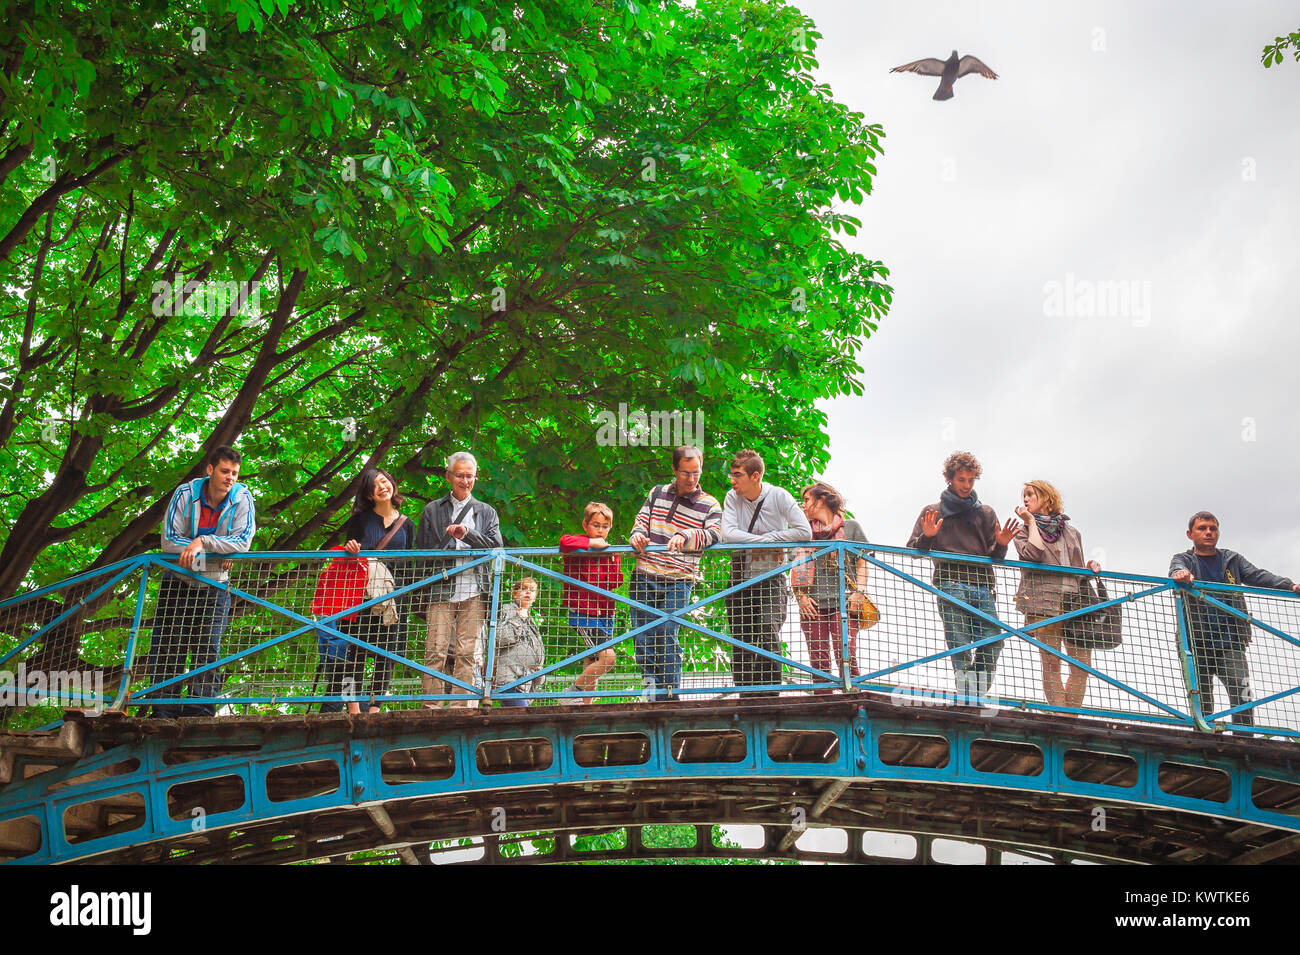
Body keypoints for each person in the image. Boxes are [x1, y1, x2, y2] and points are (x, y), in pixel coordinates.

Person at [151, 446, 256, 718]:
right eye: (224, 471)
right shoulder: (186, 494)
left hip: (216, 586)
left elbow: (242, 542)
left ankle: (199, 711)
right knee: (167, 645)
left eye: (234, 473)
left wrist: (202, 542)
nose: (230, 477)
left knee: (207, 647)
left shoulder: (243, 497)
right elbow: (168, 540)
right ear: (210, 470)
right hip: (177, 580)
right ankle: (163, 710)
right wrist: (219, 552)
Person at [906, 451, 1019, 703]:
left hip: (982, 585)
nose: (966, 486)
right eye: (961, 480)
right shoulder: (933, 511)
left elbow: (995, 556)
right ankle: (969, 698)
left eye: (970, 480)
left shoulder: (986, 513)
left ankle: (972, 694)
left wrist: (1001, 544)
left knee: (995, 641)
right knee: (960, 644)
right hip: (950, 584)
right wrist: (928, 536)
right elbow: (915, 550)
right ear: (949, 479)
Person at [1170, 511, 1300, 728]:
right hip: (1195, 642)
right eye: (1202, 528)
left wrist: (1290, 586)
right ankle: (1203, 742)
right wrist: (1181, 574)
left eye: (1213, 528)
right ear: (1189, 534)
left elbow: (1258, 576)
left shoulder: (1231, 559)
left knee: (1243, 695)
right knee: (1201, 700)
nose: (1209, 532)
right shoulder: (1184, 559)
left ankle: (1244, 740)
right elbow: (1176, 569)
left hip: (1230, 641)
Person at [628, 445, 722, 700]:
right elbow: (640, 522)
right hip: (645, 573)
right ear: (674, 470)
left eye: (696, 473)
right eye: (685, 473)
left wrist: (687, 534)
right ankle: (650, 696)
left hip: (679, 579)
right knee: (642, 638)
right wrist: (637, 536)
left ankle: (670, 696)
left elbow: (715, 534)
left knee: (667, 632)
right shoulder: (656, 492)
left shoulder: (710, 504)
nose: (691, 479)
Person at [318, 468, 412, 715]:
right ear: (369, 495)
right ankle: (353, 707)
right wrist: (350, 548)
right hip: (361, 594)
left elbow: (412, 562)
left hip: (393, 595)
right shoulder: (360, 520)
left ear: (391, 484)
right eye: (374, 486)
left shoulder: (407, 523)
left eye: (384, 481)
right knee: (353, 653)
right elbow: (349, 554)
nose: (381, 487)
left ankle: (375, 710)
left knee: (387, 653)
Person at [415, 451, 503, 708]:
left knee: (468, 652)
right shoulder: (432, 510)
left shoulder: (486, 512)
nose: (465, 481)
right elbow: (423, 551)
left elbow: (496, 547)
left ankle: (460, 706)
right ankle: (431, 707)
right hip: (440, 588)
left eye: (470, 476)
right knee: (436, 650)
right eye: (460, 475)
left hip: (475, 588)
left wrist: (467, 534)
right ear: (448, 477)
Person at [721, 450, 810, 696]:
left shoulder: (779, 496)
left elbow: (804, 531)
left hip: (771, 576)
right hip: (740, 575)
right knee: (741, 637)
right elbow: (728, 534)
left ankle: (770, 693)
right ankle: (745, 694)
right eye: (732, 475)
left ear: (755, 476)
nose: (732, 480)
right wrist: (760, 541)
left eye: (737, 475)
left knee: (767, 628)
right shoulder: (732, 497)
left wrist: (771, 538)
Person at [1012, 480, 1103, 710]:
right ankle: (1061, 718)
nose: (1025, 499)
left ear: (1046, 497)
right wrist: (1031, 522)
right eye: (1024, 495)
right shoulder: (1022, 531)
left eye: (1030, 494)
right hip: (1043, 602)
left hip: (1074, 603)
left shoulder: (1072, 532)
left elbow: (1077, 568)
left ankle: (1069, 718)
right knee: (1051, 663)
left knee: (1082, 665)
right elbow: (1034, 552)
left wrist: (1090, 566)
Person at [791, 482, 870, 694]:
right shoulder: (803, 532)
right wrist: (801, 597)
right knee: (818, 660)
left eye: (807, 500)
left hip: (844, 601)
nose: (803, 505)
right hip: (813, 604)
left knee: (847, 655)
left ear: (822, 499)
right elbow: (794, 568)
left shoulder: (851, 527)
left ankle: (854, 698)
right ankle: (823, 705)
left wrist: (859, 591)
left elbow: (863, 561)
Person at [559, 503, 623, 704]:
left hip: (605, 613)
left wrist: (611, 558)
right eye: (596, 525)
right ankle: (571, 694)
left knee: (594, 660)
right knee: (608, 658)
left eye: (605, 526)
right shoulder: (578, 543)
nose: (600, 530)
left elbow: (615, 581)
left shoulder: (611, 551)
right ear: (585, 525)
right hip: (583, 613)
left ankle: (585, 706)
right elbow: (564, 542)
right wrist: (592, 544)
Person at [490, 578, 545, 706]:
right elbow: (500, 637)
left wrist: (539, 675)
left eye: (532, 590)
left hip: (525, 687)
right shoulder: (507, 610)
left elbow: (538, 655)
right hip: (509, 680)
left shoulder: (532, 623)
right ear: (515, 593)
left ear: (535, 597)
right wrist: (519, 618)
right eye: (523, 589)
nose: (528, 592)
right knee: (525, 721)